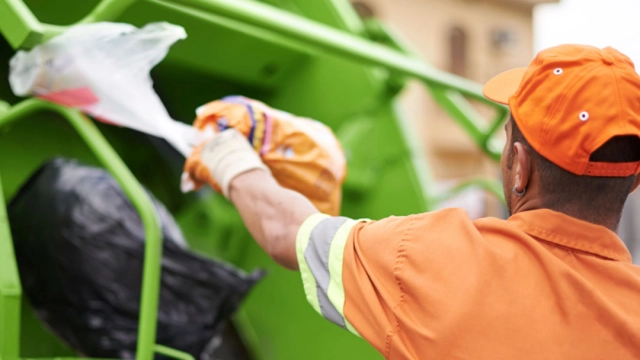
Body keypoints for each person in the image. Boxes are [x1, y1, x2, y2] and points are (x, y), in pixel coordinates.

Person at [183, 44, 640, 359]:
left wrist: (230, 159)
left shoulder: (436, 259)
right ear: (633, 180)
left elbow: (288, 233)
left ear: (519, 167)